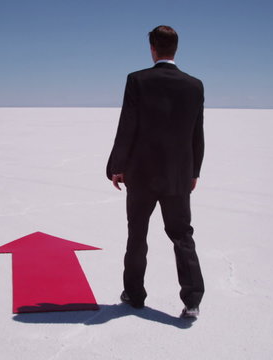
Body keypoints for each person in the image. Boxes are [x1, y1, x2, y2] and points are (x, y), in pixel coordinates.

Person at [106, 25, 205, 318]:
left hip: (142, 174)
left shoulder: (138, 80)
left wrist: (117, 167)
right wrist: (194, 171)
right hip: (178, 176)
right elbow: (196, 134)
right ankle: (193, 300)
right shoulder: (194, 85)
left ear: (152, 48)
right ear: (175, 49)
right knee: (182, 235)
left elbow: (128, 126)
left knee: (137, 234)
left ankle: (134, 295)